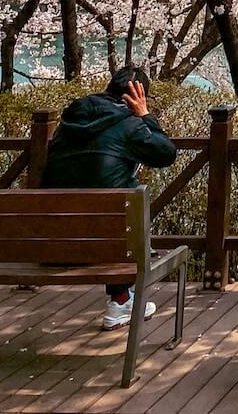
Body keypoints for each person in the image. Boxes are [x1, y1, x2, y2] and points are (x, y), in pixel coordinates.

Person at [42, 65, 178, 330]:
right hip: (108, 244)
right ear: (139, 94)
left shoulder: (67, 125)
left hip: (55, 244)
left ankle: (122, 298)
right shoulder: (128, 125)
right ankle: (119, 301)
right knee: (121, 212)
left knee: (107, 207)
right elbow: (166, 154)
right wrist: (145, 116)